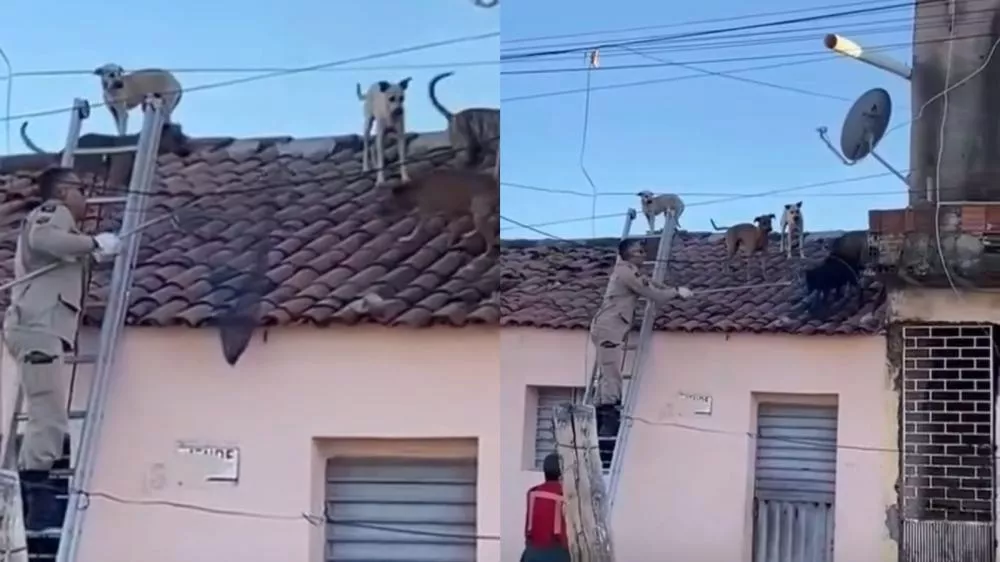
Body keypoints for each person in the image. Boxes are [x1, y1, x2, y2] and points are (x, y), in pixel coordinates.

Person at [4, 166, 121, 531]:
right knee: (48, 416)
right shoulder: (52, 214)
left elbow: (57, 254)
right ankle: (36, 505)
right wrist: (93, 243)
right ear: (65, 190)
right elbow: (46, 240)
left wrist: (90, 251)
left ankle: (37, 499)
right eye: (81, 190)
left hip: (42, 327)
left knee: (49, 413)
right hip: (39, 327)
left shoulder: (63, 225)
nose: (85, 198)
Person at [591, 238, 694, 437]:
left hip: (611, 327)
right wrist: (676, 293)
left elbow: (651, 283)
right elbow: (650, 292)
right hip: (609, 328)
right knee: (611, 376)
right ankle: (607, 428)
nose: (643, 254)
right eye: (639, 251)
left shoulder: (629, 270)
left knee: (607, 375)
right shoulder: (625, 273)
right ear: (629, 254)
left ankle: (602, 423)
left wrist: (675, 289)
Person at [522, 453, 569, 562]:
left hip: (532, 552)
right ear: (562, 471)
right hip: (557, 552)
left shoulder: (532, 492)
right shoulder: (566, 494)